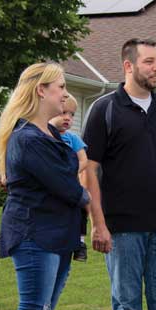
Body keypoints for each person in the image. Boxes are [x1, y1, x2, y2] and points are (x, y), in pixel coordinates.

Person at [82, 38, 156, 310]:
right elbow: (88, 170)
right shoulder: (104, 109)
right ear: (128, 65)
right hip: (122, 229)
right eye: (149, 62)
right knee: (127, 309)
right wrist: (98, 223)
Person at [0, 62, 90, 310]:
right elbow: (69, 187)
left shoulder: (49, 133)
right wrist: (85, 195)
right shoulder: (27, 138)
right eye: (61, 87)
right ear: (41, 90)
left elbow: (68, 176)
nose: (65, 94)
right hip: (35, 234)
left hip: (58, 234)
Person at [49, 93, 89, 262]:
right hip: (51, 185)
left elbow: (84, 160)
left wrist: (72, 171)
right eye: (63, 113)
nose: (67, 118)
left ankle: (80, 243)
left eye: (71, 115)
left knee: (82, 205)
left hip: (71, 183)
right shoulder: (45, 136)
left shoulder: (73, 139)